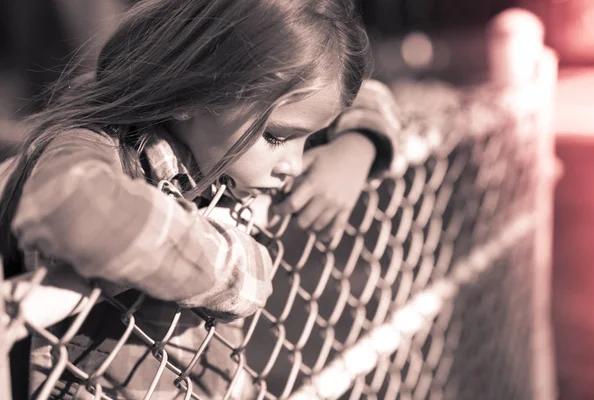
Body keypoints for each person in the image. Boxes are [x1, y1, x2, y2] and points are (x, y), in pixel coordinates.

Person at [0, 0, 407, 398]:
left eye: (310, 138)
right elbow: (75, 210)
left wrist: (356, 148)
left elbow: (369, 93)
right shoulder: (95, 144)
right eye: (277, 138)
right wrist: (230, 267)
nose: (294, 167)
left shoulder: (223, 137)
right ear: (193, 96)